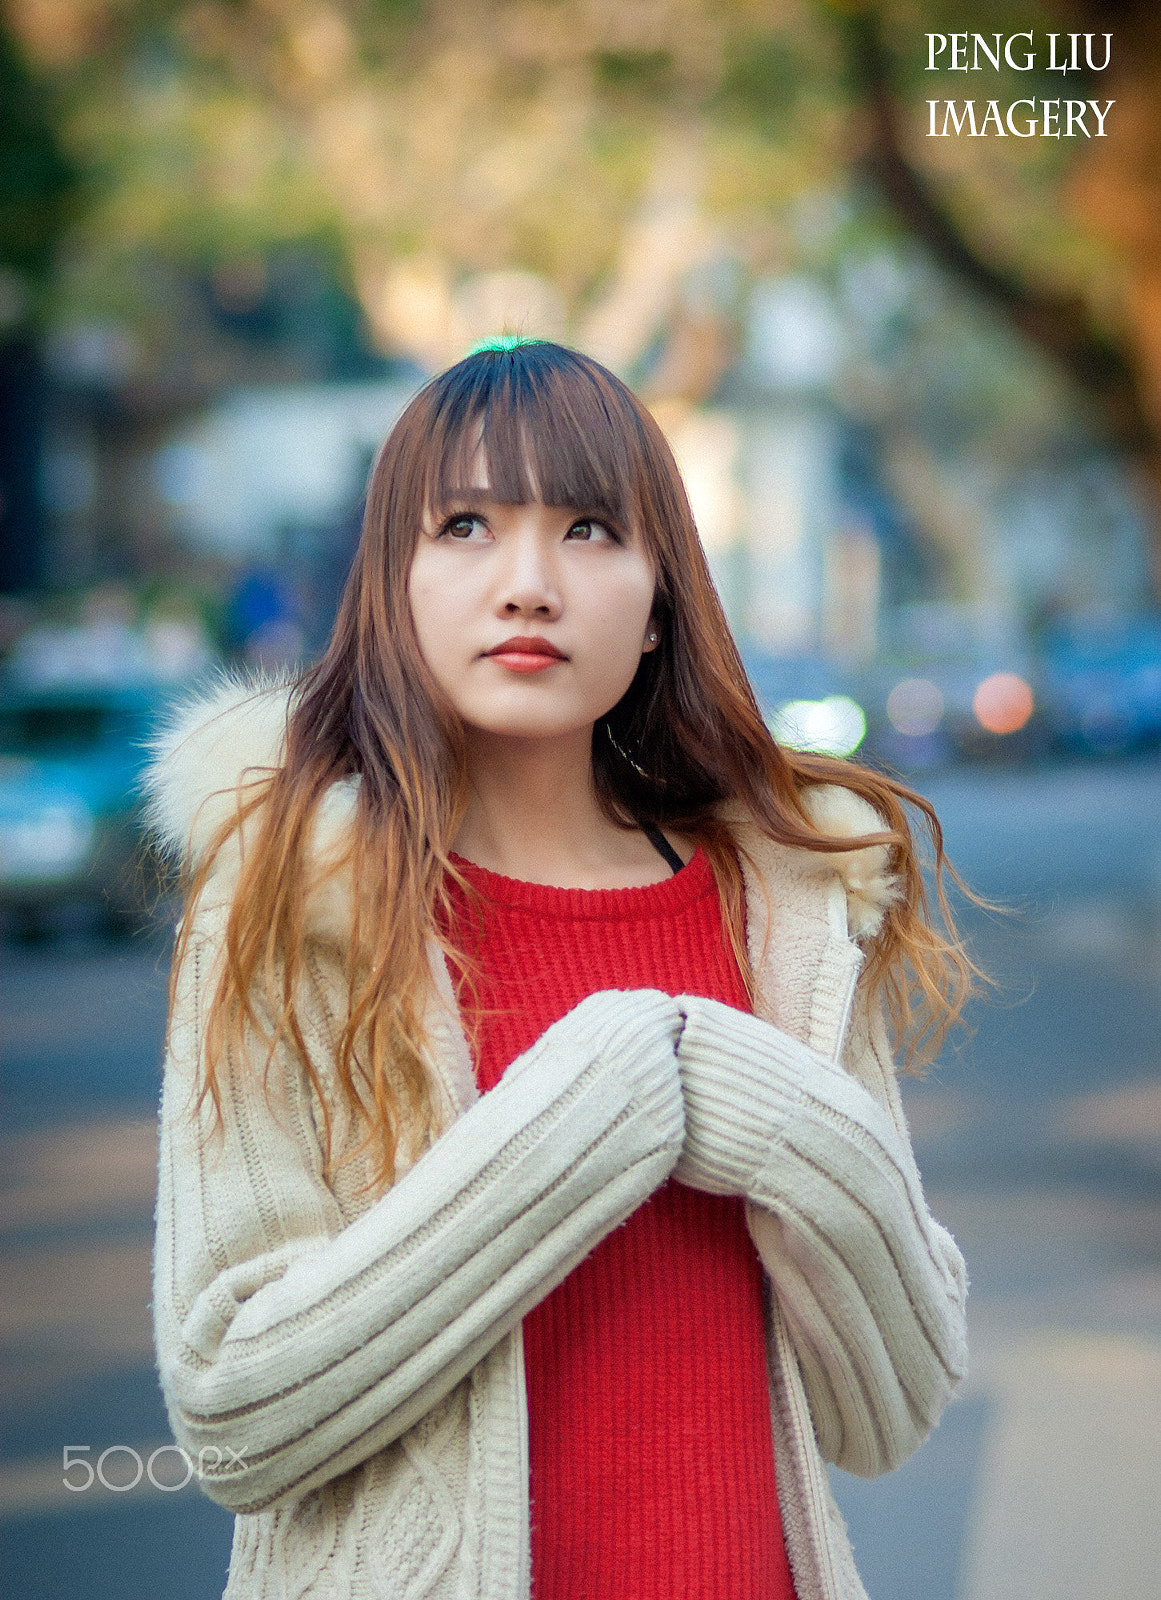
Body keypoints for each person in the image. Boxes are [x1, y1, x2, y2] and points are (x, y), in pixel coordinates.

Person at [146, 338, 971, 1600]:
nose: (528, 584)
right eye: (466, 525)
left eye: (589, 530)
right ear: (394, 584)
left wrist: (783, 1119)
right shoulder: (284, 901)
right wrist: (598, 1103)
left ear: (657, 606)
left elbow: (890, 1408)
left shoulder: (787, 904)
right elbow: (232, 1410)